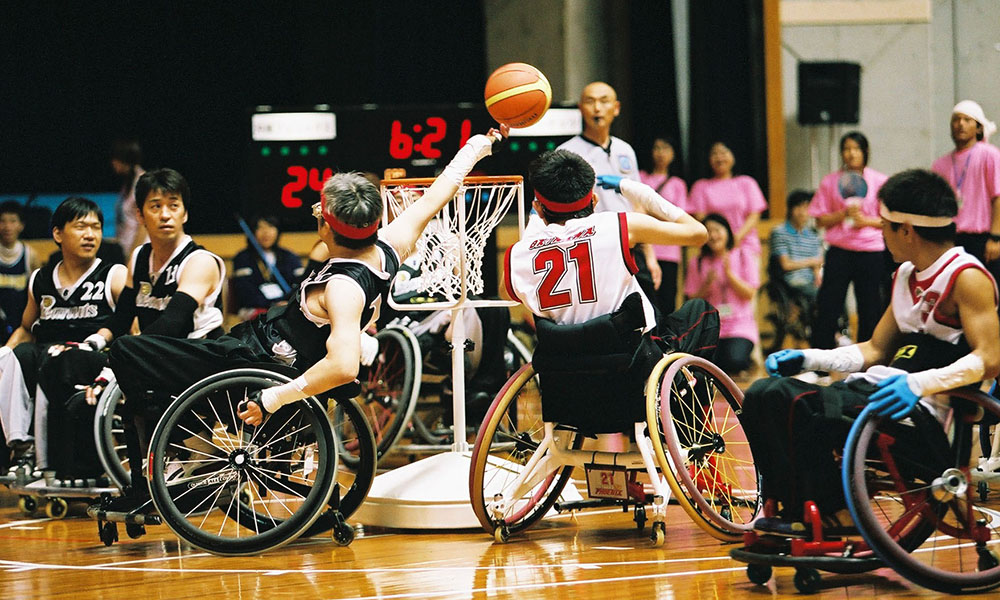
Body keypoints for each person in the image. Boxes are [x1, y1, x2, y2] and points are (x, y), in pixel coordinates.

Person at [103, 128, 508, 510]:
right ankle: (171, 446)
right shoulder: (390, 243)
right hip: (248, 346)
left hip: (254, 363)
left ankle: (163, 457)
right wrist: (478, 145)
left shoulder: (343, 288)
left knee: (126, 350)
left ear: (325, 226)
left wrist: (272, 398)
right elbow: (441, 189)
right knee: (150, 362)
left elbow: (344, 366)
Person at [743, 168, 1000, 530]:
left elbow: (991, 359)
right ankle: (799, 510)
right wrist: (812, 357)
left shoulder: (967, 277)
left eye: (884, 226)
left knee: (799, 405)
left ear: (906, 231)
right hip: (875, 394)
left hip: (921, 417)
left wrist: (919, 384)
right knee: (763, 394)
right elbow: (876, 349)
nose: (879, 234)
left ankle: (840, 515)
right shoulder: (905, 277)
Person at [79, 168, 226, 497]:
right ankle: (141, 484)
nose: (165, 215)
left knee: (127, 360)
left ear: (185, 212)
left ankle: (184, 456)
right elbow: (123, 317)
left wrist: (117, 362)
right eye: (155, 206)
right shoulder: (139, 256)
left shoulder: (199, 261)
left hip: (201, 354)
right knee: (104, 374)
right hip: (158, 357)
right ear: (139, 214)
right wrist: (94, 344)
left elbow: (175, 322)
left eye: (173, 206)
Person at [0, 197, 127, 478]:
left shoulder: (114, 275)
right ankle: (22, 450)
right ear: (58, 233)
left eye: (96, 227)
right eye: (81, 227)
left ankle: (54, 462)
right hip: (48, 355)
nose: (90, 234)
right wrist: (4, 355)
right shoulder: (40, 279)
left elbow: (132, 328)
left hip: (92, 360)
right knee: (13, 356)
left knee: (55, 359)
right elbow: (24, 328)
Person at [557, 81, 660, 305]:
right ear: (580, 109)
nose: (597, 108)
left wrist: (650, 256)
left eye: (604, 101)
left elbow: (638, 203)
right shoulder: (567, 153)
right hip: (593, 249)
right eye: (590, 101)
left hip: (631, 244)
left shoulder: (626, 150)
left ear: (616, 108)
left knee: (649, 315)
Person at [808, 131, 889, 349]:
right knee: (828, 305)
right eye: (846, 149)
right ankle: (820, 360)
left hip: (871, 252)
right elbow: (819, 220)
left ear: (865, 152)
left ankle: (868, 360)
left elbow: (888, 220)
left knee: (870, 306)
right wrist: (842, 214)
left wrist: (865, 222)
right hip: (839, 251)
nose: (851, 153)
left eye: (856, 149)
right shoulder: (830, 182)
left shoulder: (880, 181)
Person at [931, 100, 1000, 291]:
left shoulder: (990, 155)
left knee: (988, 292)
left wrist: (995, 238)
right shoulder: (940, 164)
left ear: (978, 128)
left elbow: (998, 197)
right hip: (951, 240)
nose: (960, 124)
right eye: (956, 119)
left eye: (966, 120)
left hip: (983, 240)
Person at [684, 214, 759, 375]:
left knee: (734, 361)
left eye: (717, 230)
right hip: (712, 327)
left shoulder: (742, 255)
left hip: (740, 326)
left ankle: (745, 357)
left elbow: (750, 293)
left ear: (728, 232)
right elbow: (692, 300)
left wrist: (730, 275)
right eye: (708, 232)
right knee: (706, 364)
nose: (713, 235)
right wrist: (706, 285)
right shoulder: (697, 262)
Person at [687, 142, 767, 260]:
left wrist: (736, 237)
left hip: (746, 247)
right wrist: (721, 242)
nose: (719, 158)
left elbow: (754, 215)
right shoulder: (700, 186)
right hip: (713, 249)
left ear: (733, 156)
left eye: (724, 153)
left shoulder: (747, 183)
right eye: (714, 153)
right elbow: (701, 218)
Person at [639, 136, 688, 315]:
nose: (661, 153)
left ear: (673, 154)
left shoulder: (678, 184)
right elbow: (634, 209)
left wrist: (648, 213)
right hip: (643, 248)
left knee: (667, 301)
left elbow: (679, 217)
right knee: (646, 300)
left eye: (665, 148)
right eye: (657, 148)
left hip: (669, 251)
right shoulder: (640, 177)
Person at [231, 215, 305, 321]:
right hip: (255, 308)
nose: (266, 232)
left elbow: (299, 285)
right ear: (252, 232)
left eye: (270, 227)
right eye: (260, 228)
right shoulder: (243, 258)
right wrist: (273, 304)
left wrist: (286, 303)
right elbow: (245, 291)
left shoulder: (290, 256)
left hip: (286, 306)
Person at [770, 190, 823, 301]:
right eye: (798, 207)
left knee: (836, 291)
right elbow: (786, 265)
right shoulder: (779, 232)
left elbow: (817, 263)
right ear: (790, 209)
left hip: (811, 279)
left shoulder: (813, 235)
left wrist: (817, 275)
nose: (802, 212)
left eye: (806, 208)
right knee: (819, 295)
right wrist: (810, 261)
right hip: (791, 280)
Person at [0, 201, 40, 345]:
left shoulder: (30, 255)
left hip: (22, 325)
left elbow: (38, 292)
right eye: (2, 221)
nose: (7, 226)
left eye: (12, 221)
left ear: (21, 225)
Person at [110, 138, 147, 259]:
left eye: (115, 159)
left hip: (139, 251)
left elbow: (144, 224)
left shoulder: (142, 182)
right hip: (126, 247)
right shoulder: (127, 183)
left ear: (124, 159)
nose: (113, 163)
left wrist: (133, 255)